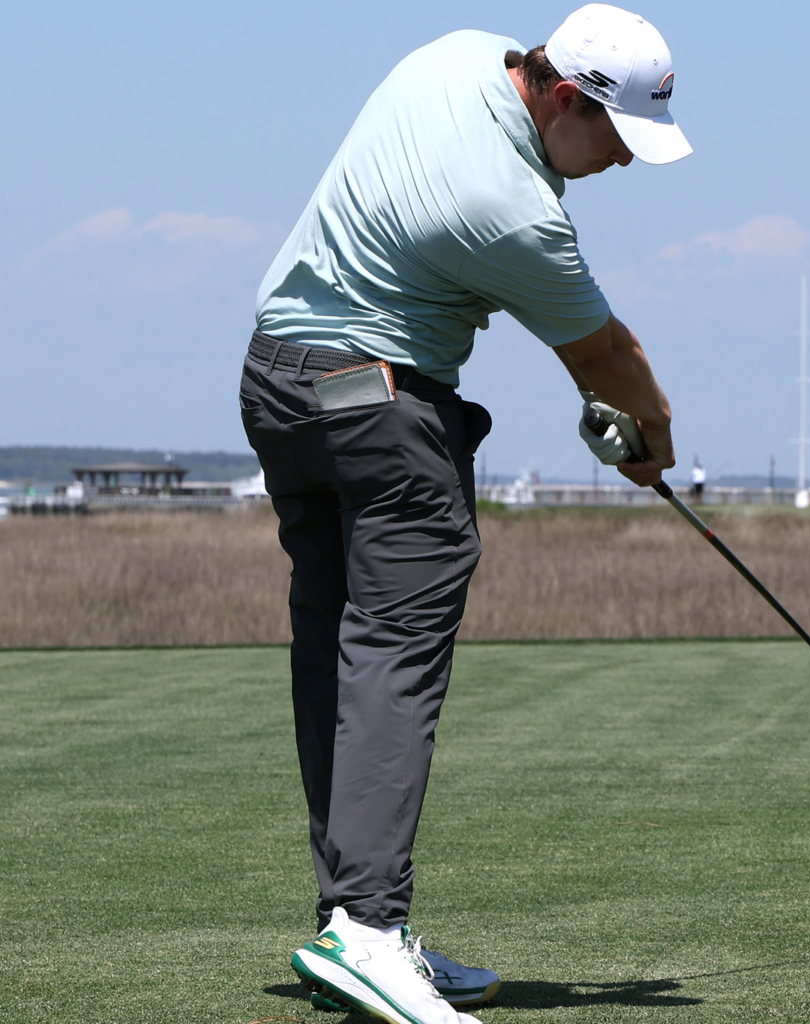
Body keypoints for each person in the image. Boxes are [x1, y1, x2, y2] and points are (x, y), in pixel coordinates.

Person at [239, 6, 687, 1021]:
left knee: (341, 652)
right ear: (567, 98)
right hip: (381, 409)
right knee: (395, 652)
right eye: (616, 137)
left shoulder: (449, 54)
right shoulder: (516, 211)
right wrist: (650, 438)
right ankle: (366, 928)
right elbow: (610, 361)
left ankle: (354, 925)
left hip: (277, 386)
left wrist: (610, 404)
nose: (619, 162)